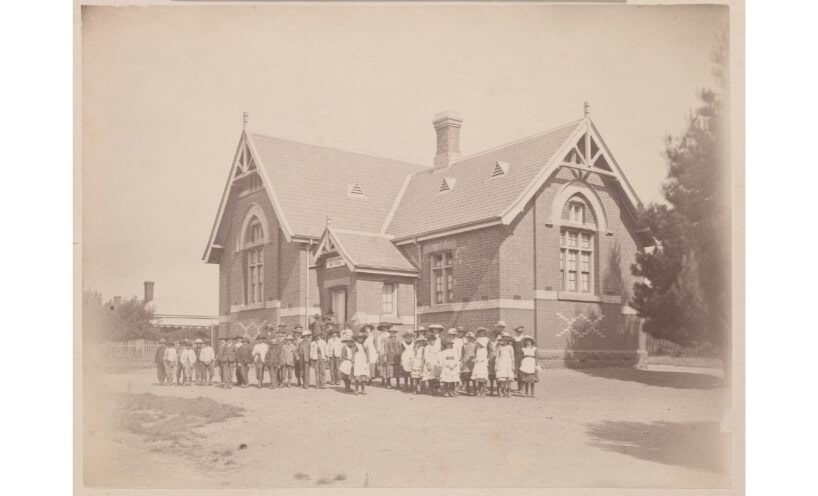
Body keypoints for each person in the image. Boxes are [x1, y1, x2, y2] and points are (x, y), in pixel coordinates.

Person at [495, 332, 516, 398]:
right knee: (502, 379)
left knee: (508, 378)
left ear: (508, 341)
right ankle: (502, 392)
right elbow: (497, 356)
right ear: (502, 340)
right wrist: (496, 364)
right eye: (503, 339)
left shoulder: (510, 347)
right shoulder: (499, 347)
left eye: (506, 340)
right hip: (501, 363)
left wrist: (513, 365)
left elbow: (512, 357)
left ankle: (508, 392)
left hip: (508, 363)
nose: (504, 341)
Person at [352, 331, 371, 395]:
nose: (360, 339)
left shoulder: (366, 345)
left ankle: (363, 389)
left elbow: (367, 353)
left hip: (363, 360)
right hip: (357, 361)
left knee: (363, 375)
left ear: (363, 338)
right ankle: (356, 389)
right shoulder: (355, 345)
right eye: (359, 338)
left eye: (361, 338)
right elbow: (353, 353)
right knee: (357, 375)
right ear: (357, 339)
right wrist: (353, 361)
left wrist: (368, 360)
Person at [472, 328, 489, 397]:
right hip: (478, 361)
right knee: (478, 377)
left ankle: (484, 391)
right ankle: (479, 391)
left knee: (483, 377)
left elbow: (483, 346)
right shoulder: (478, 342)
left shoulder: (486, 340)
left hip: (483, 361)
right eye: (479, 332)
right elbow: (476, 350)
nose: (481, 333)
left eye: (482, 332)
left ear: (484, 332)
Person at [461, 331, 477, 395]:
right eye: (468, 338)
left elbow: (476, 353)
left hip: (472, 363)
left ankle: (475, 390)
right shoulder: (464, 345)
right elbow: (462, 354)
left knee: (473, 378)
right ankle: (468, 391)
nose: (469, 339)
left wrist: (475, 359)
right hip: (466, 363)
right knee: (467, 378)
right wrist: (462, 362)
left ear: (473, 338)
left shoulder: (475, 345)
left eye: (471, 338)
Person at [511, 325, 526, 392]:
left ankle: (522, 387)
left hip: (522, 357)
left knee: (522, 372)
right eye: (517, 331)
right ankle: (519, 387)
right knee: (516, 372)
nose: (519, 333)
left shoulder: (524, 339)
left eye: (520, 331)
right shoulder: (514, 339)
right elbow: (512, 348)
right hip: (515, 356)